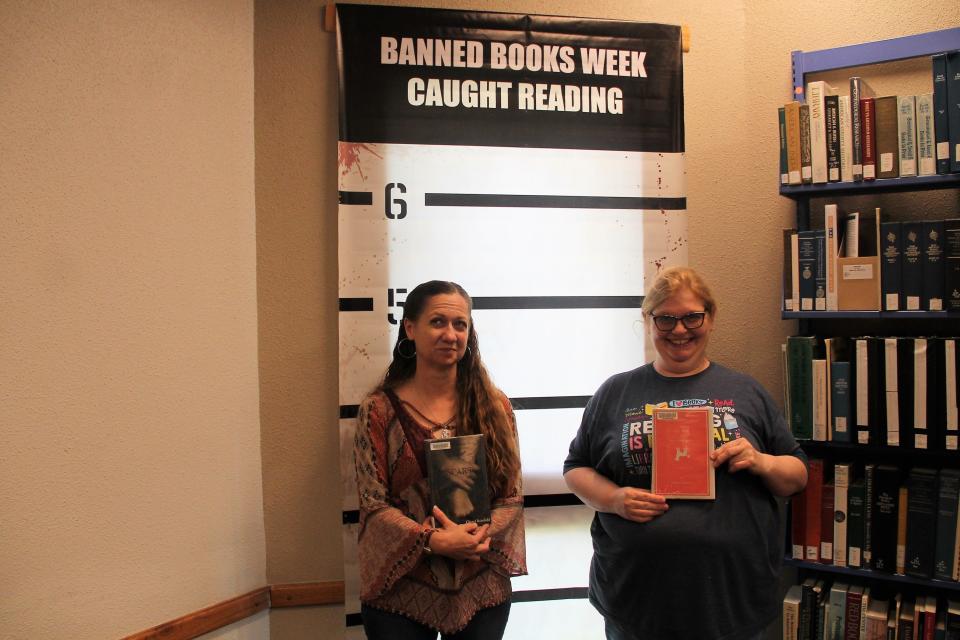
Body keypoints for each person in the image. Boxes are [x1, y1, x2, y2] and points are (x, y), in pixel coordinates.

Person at [563, 266, 808, 640]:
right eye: (665, 319)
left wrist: (761, 461)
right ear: (649, 322)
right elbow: (576, 468)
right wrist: (613, 499)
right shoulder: (615, 392)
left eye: (692, 316)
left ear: (710, 318)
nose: (680, 330)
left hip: (731, 600)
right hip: (637, 600)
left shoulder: (746, 391)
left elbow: (797, 476)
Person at [354, 280, 526, 639]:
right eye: (437, 322)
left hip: (481, 588)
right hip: (399, 593)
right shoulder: (379, 411)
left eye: (460, 324)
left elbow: (510, 496)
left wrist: (478, 536)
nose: (450, 334)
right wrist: (431, 540)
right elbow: (373, 504)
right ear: (410, 328)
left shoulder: (496, 407)